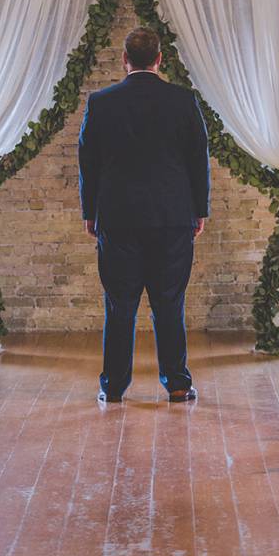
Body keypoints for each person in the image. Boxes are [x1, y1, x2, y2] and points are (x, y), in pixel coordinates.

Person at [78, 26, 210, 404]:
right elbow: (197, 159)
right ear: (159, 60)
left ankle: (114, 387)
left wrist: (91, 212)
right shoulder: (183, 101)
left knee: (119, 305)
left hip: (118, 219)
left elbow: (89, 163)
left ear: (124, 60)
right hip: (172, 217)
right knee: (169, 302)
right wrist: (199, 210)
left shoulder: (101, 103)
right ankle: (178, 384)